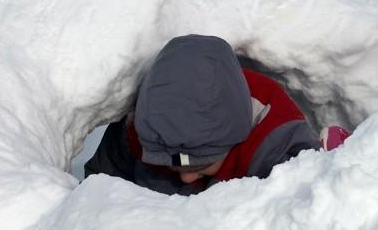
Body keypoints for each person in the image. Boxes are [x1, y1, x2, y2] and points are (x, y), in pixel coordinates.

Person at [84, 34, 350, 195]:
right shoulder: (140, 132)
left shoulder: (274, 138)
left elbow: (305, 193)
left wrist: (331, 166)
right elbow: (98, 185)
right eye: (171, 164)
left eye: (200, 166)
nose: (186, 177)